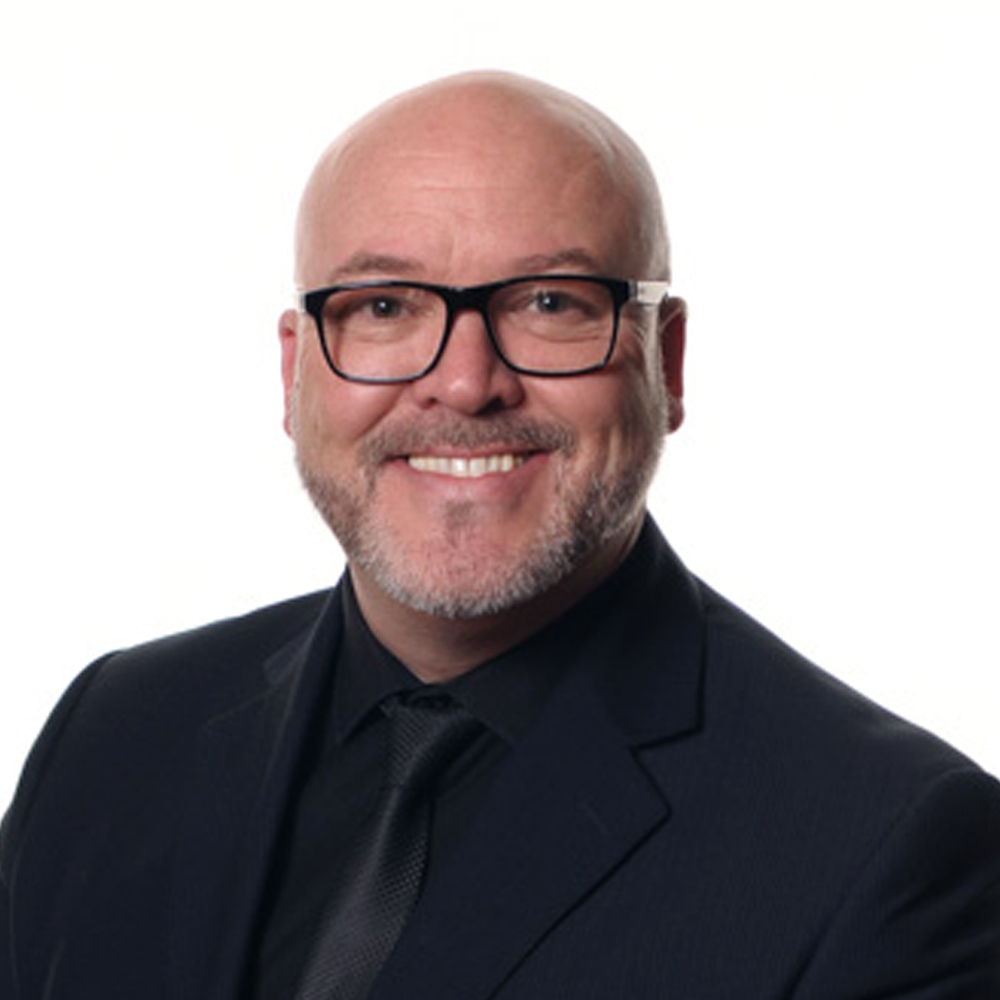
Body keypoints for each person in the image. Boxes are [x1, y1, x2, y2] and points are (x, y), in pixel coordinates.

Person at [1, 71, 998, 1000]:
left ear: (666, 362)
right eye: (383, 306)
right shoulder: (115, 730)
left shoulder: (891, 850)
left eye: (550, 303)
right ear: (295, 371)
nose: (466, 382)